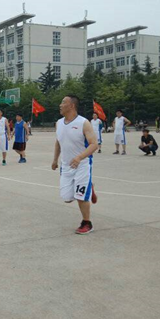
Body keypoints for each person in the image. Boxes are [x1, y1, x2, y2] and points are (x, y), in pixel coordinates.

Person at [51, 95, 98, 235]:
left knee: (80, 196)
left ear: (72, 105)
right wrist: (55, 159)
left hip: (82, 165)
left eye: (63, 102)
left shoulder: (84, 123)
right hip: (66, 166)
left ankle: (87, 223)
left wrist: (79, 157)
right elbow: (58, 142)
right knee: (67, 198)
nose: (60, 105)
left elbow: (94, 144)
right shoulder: (59, 123)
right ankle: (89, 187)